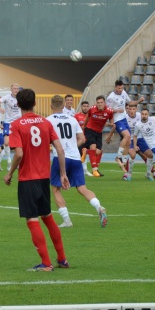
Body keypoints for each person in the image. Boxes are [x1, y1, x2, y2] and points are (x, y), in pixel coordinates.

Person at [3, 88, 70, 272]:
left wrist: (9, 173)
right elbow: (60, 150)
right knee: (47, 217)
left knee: (32, 219)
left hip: (27, 179)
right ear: (34, 103)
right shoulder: (46, 123)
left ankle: (46, 263)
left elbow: (18, 153)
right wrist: (63, 174)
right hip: (44, 178)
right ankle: (62, 259)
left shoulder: (16, 125)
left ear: (17, 104)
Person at [47, 95, 107, 228]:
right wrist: (73, 146)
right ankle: (99, 207)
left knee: (56, 189)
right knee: (82, 188)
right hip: (75, 157)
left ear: (51, 106)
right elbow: (82, 138)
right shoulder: (72, 119)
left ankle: (67, 221)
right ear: (63, 106)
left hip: (60, 157)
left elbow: (46, 140)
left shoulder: (48, 120)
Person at [105, 80, 145, 173]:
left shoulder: (123, 93)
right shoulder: (111, 97)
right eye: (118, 88)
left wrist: (139, 100)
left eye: (121, 88)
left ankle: (123, 158)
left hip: (123, 118)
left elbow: (130, 102)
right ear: (115, 87)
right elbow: (108, 110)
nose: (120, 90)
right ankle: (118, 156)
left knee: (128, 140)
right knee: (126, 136)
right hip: (117, 119)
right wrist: (117, 110)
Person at [117, 104, 155, 181]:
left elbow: (148, 121)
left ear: (136, 109)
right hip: (129, 140)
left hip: (140, 139)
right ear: (127, 110)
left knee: (149, 155)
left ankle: (153, 173)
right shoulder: (124, 118)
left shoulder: (140, 116)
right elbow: (117, 127)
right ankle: (127, 174)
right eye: (129, 109)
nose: (131, 111)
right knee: (132, 155)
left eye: (133, 109)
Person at [82, 95, 114, 177]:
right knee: (93, 146)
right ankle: (94, 170)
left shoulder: (109, 111)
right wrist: (84, 126)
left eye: (101, 102)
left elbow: (111, 119)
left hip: (99, 132)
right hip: (90, 129)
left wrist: (111, 123)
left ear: (104, 103)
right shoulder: (92, 109)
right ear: (96, 103)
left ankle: (86, 151)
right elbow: (87, 117)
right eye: (98, 103)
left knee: (98, 151)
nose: (100, 104)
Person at [0, 83, 21, 171]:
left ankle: (3, 162)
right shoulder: (7, 97)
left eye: (17, 88)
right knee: (6, 143)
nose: (16, 90)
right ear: (11, 90)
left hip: (18, 123)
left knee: (18, 145)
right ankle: (9, 162)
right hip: (8, 123)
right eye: (14, 88)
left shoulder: (21, 98)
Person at [73, 101, 93, 177]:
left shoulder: (90, 116)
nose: (86, 108)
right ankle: (77, 170)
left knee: (85, 153)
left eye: (87, 106)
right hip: (78, 139)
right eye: (84, 106)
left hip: (87, 138)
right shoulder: (76, 116)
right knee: (77, 154)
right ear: (81, 107)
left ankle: (85, 170)